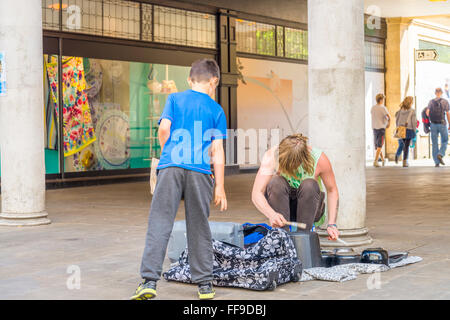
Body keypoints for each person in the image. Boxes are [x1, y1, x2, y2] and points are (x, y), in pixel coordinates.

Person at [131, 59, 228, 300]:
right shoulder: (216, 110)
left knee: (160, 221)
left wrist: (169, 150)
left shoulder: (174, 99)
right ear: (214, 81)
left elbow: (164, 129)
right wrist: (221, 187)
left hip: (171, 166)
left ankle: (149, 282)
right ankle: (205, 285)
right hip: (200, 171)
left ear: (189, 80)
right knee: (199, 225)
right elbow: (218, 150)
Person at [251, 134, 340, 241]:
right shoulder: (271, 156)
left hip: (310, 209)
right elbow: (256, 193)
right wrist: (271, 214)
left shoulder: (320, 159)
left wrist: (332, 224)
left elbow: (332, 190)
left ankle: (304, 236)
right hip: (283, 208)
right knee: (276, 182)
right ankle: (282, 236)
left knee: (309, 184)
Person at [426, 88, 450, 167]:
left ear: (435, 93)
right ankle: (441, 153)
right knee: (445, 140)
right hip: (442, 123)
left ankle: (436, 162)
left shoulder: (431, 102)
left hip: (433, 124)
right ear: (442, 93)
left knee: (434, 143)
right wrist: (449, 124)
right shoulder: (445, 102)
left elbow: (427, 113)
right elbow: (447, 114)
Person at [395, 96, 417, 167]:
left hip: (401, 129)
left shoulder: (400, 110)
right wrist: (414, 129)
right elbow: (414, 121)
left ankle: (403, 159)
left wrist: (397, 128)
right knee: (406, 145)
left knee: (405, 145)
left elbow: (397, 120)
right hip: (409, 129)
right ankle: (405, 161)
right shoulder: (412, 111)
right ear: (411, 102)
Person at [371, 93, 390, 167]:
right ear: (381, 100)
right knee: (379, 146)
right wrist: (389, 124)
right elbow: (389, 117)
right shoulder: (383, 108)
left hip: (374, 128)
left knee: (378, 146)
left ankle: (382, 160)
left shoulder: (373, 108)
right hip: (381, 128)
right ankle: (376, 161)